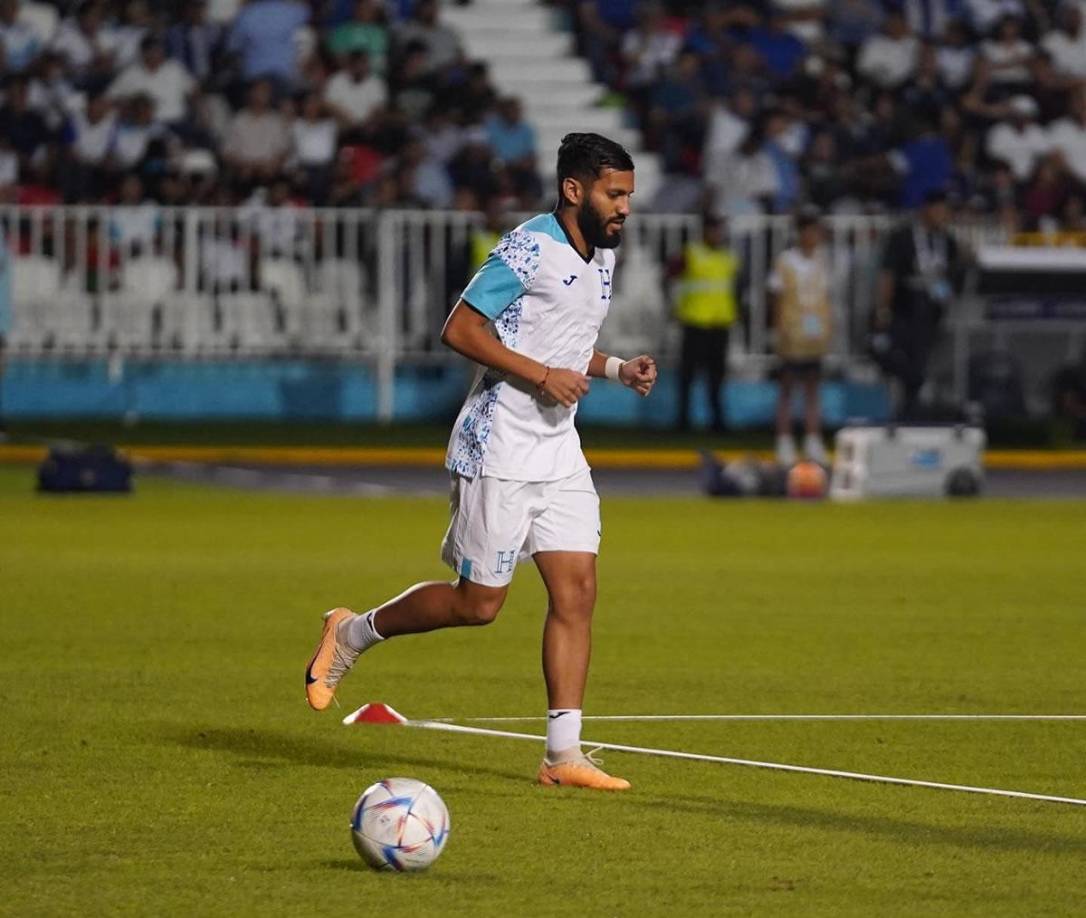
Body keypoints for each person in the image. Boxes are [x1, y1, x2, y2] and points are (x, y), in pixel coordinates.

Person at [304, 133, 658, 791]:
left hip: (558, 450)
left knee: (576, 590)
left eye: (629, 197)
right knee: (479, 605)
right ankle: (351, 633)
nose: (625, 210)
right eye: (615, 194)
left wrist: (615, 368)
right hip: (498, 444)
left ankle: (562, 758)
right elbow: (460, 328)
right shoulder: (529, 248)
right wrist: (542, 374)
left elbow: (562, 342)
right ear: (574, 190)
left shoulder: (601, 255)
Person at [872, 189, 963, 420]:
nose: (943, 215)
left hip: (931, 312)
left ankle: (910, 413)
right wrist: (883, 309)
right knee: (893, 357)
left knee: (920, 361)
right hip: (904, 307)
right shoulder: (903, 237)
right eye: (939, 209)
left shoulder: (947, 242)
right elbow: (888, 274)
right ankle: (910, 398)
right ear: (927, 209)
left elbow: (950, 278)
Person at [768, 209, 832, 465]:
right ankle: (783, 440)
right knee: (787, 387)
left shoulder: (820, 262)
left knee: (812, 387)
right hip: (792, 333)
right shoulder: (786, 262)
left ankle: (813, 439)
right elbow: (776, 296)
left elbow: (824, 298)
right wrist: (778, 330)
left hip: (814, 334)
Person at [669, 213, 740, 431]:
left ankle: (717, 421)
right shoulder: (691, 253)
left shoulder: (729, 258)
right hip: (695, 320)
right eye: (713, 229)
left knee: (716, 377)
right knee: (688, 376)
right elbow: (670, 274)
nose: (717, 234)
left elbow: (735, 289)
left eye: (719, 230)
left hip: (720, 322)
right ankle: (683, 420)